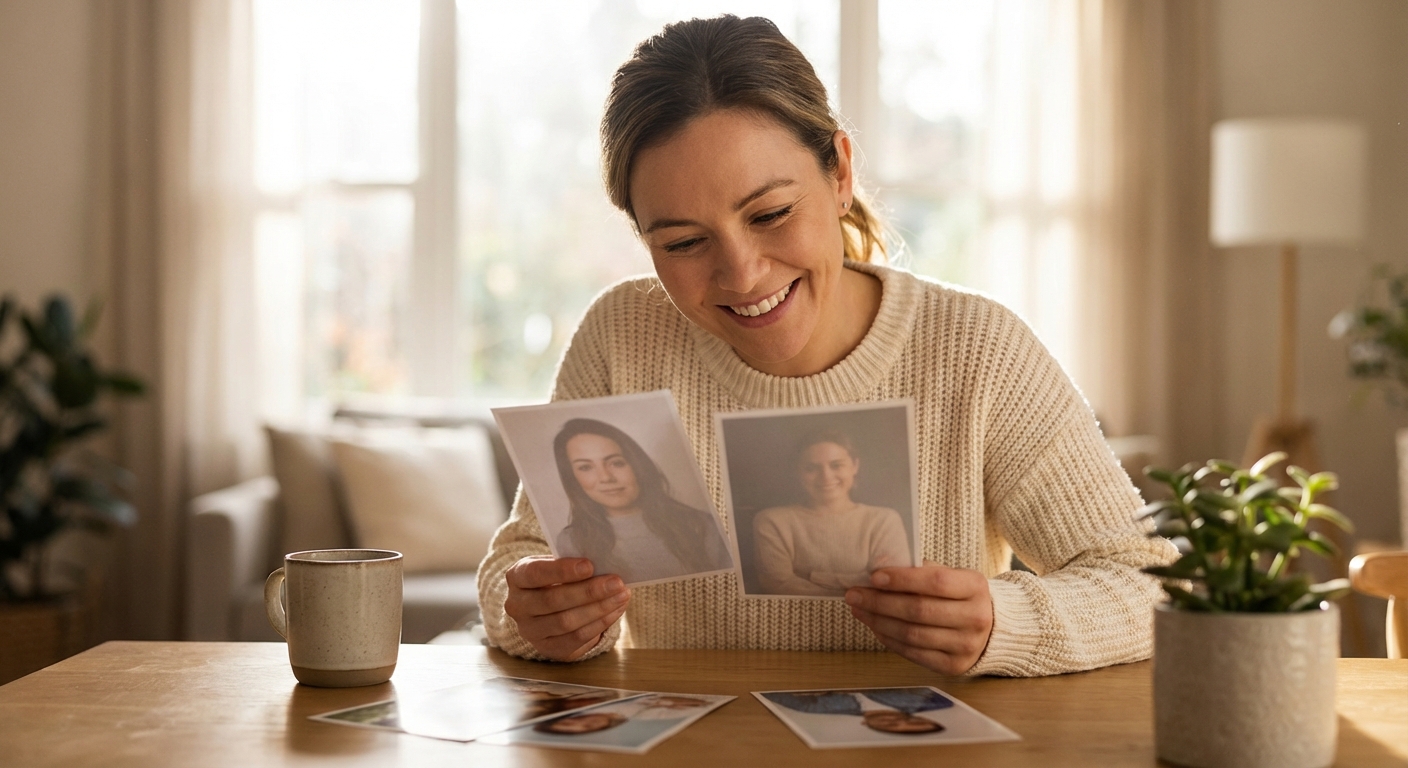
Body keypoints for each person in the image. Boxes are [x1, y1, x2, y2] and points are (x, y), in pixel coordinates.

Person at [477, 14, 1176, 677]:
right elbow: (523, 556)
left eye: (771, 214)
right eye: (684, 242)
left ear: (840, 173)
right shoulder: (623, 336)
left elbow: (1150, 587)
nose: (743, 273)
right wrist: (537, 613)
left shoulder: (978, 351)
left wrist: (1004, 622)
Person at [552, 418, 731, 583]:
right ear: (572, 478)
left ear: (638, 465)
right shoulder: (571, 542)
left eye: (616, 463)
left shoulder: (703, 525)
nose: (605, 477)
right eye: (585, 467)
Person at [752, 431, 911, 596]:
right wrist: (862, 579)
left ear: (854, 466)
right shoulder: (772, 521)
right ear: (798, 472)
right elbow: (778, 586)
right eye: (811, 468)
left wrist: (814, 577)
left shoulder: (884, 520)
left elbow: (891, 583)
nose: (826, 477)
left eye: (836, 465)